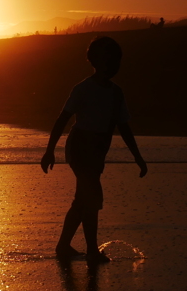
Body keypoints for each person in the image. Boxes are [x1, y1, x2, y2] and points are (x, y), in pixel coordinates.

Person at [41, 36, 148, 262]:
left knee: (82, 200)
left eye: (117, 62)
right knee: (91, 198)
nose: (115, 66)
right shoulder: (83, 89)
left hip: (98, 151)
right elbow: (63, 119)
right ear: (96, 61)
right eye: (110, 61)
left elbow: (124, 127)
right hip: (80, 147)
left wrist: (138, 157)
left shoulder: (116, 93)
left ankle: (63, 246)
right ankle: (91, 250)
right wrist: (49, 150)